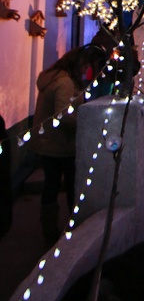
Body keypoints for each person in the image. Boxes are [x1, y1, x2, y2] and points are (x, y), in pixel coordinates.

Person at [31, 45, 107, 245]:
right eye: (88, 68)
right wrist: (89, 125)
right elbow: (63, 117)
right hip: (58, 146)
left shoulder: (57, 77)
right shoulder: (65, 83)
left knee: (52, 186)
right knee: (68, 186)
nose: (88, 73)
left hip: (50, 143)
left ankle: (52, 231)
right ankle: (67, 231)